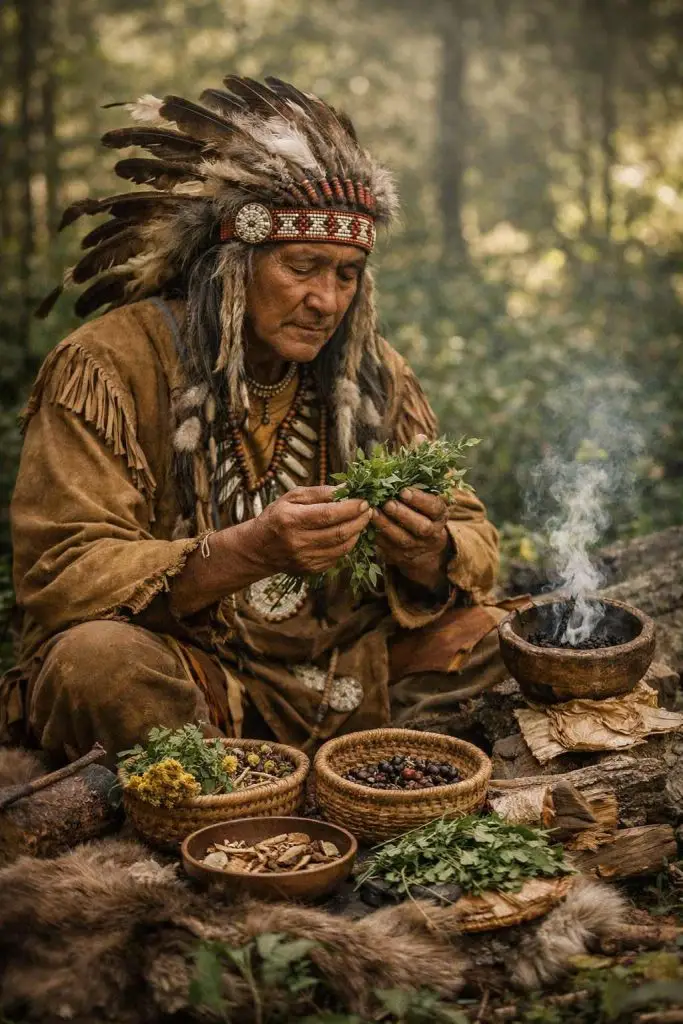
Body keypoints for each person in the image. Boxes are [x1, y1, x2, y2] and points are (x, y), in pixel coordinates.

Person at [0, 76, 507, 767]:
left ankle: (355, 770)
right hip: (195, 672)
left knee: (500, 637)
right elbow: (62, 571)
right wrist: (247, 551)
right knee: (99, 664)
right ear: (231, 266)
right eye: (302, 267)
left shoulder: (371, 370)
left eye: (347, 274)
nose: (326, 300)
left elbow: (474, 534)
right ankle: (230, 793)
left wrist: (428, 550)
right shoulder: (107, 365)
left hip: (346, 668)